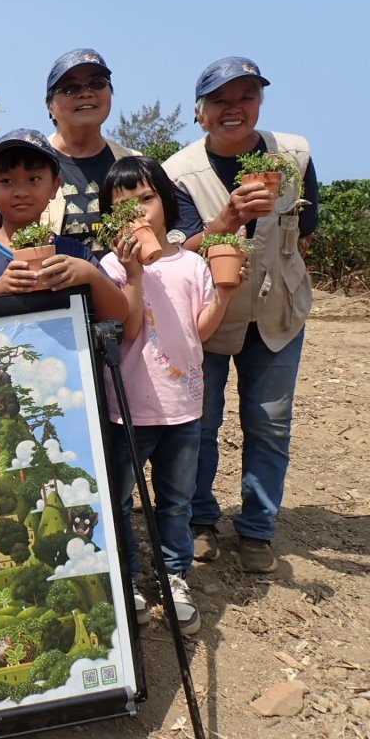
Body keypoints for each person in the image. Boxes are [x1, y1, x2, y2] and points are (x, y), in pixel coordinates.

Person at [163, 57, 318, 573]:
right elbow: (180, 251)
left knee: (270, 424)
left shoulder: (294, 153)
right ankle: (201, 522)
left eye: (246, 96)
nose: (235, 108)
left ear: (260, 103)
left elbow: (306, 229)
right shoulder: (178, 173)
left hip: (278, 316)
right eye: (221, 100)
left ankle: (257, 531)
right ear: (200, 112)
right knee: (199, 425)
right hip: (208, 318)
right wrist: (230, 218)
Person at [98, 156, 244, 634]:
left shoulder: (193, 264)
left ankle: (174, 576)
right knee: (120, 500)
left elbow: (199, 332)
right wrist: (133, 276)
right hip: (128, 411)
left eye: (145, 199)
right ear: (109, 217)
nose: (137, 214)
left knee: (176, 501)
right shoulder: (109, 268)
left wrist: (224, 294)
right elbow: (129, 328)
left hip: (184, 407)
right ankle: (129, 579)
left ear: (165, 201)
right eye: (122, 206)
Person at [0, 48, 138, 247]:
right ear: (50, 107)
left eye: (97, 83)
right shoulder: (31, 159)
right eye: (70, 88)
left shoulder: (136, 165)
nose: (86, 93)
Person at [0, 128, 127, 324]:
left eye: (34, 179)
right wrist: (0, 288)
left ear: (55, 187)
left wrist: (91, 275)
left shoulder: (73, 253)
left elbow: (119, 316)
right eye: (6, 181)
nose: (20, 191)